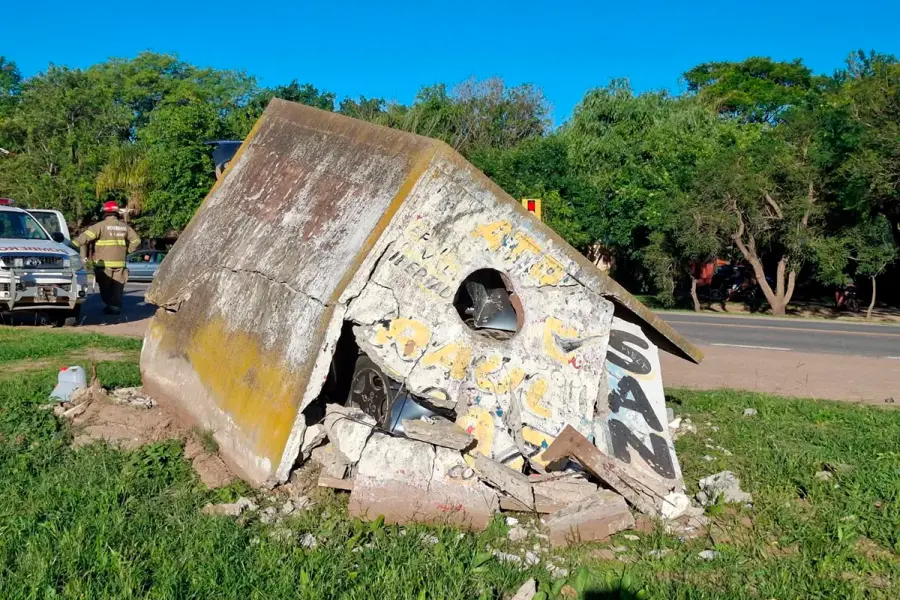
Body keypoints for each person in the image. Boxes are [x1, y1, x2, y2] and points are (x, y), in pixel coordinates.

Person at [74, 201, 141, 315]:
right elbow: (137, 241)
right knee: (117, 288)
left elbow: (83, 239)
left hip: (104, 265)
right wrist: (127, 251)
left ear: (105, 213)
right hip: (120, 263)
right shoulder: (125, 227)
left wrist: (71, 246)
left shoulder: (100, 226)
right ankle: (115, 307)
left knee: (105, 288)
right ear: (116, 213)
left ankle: (110, 305)